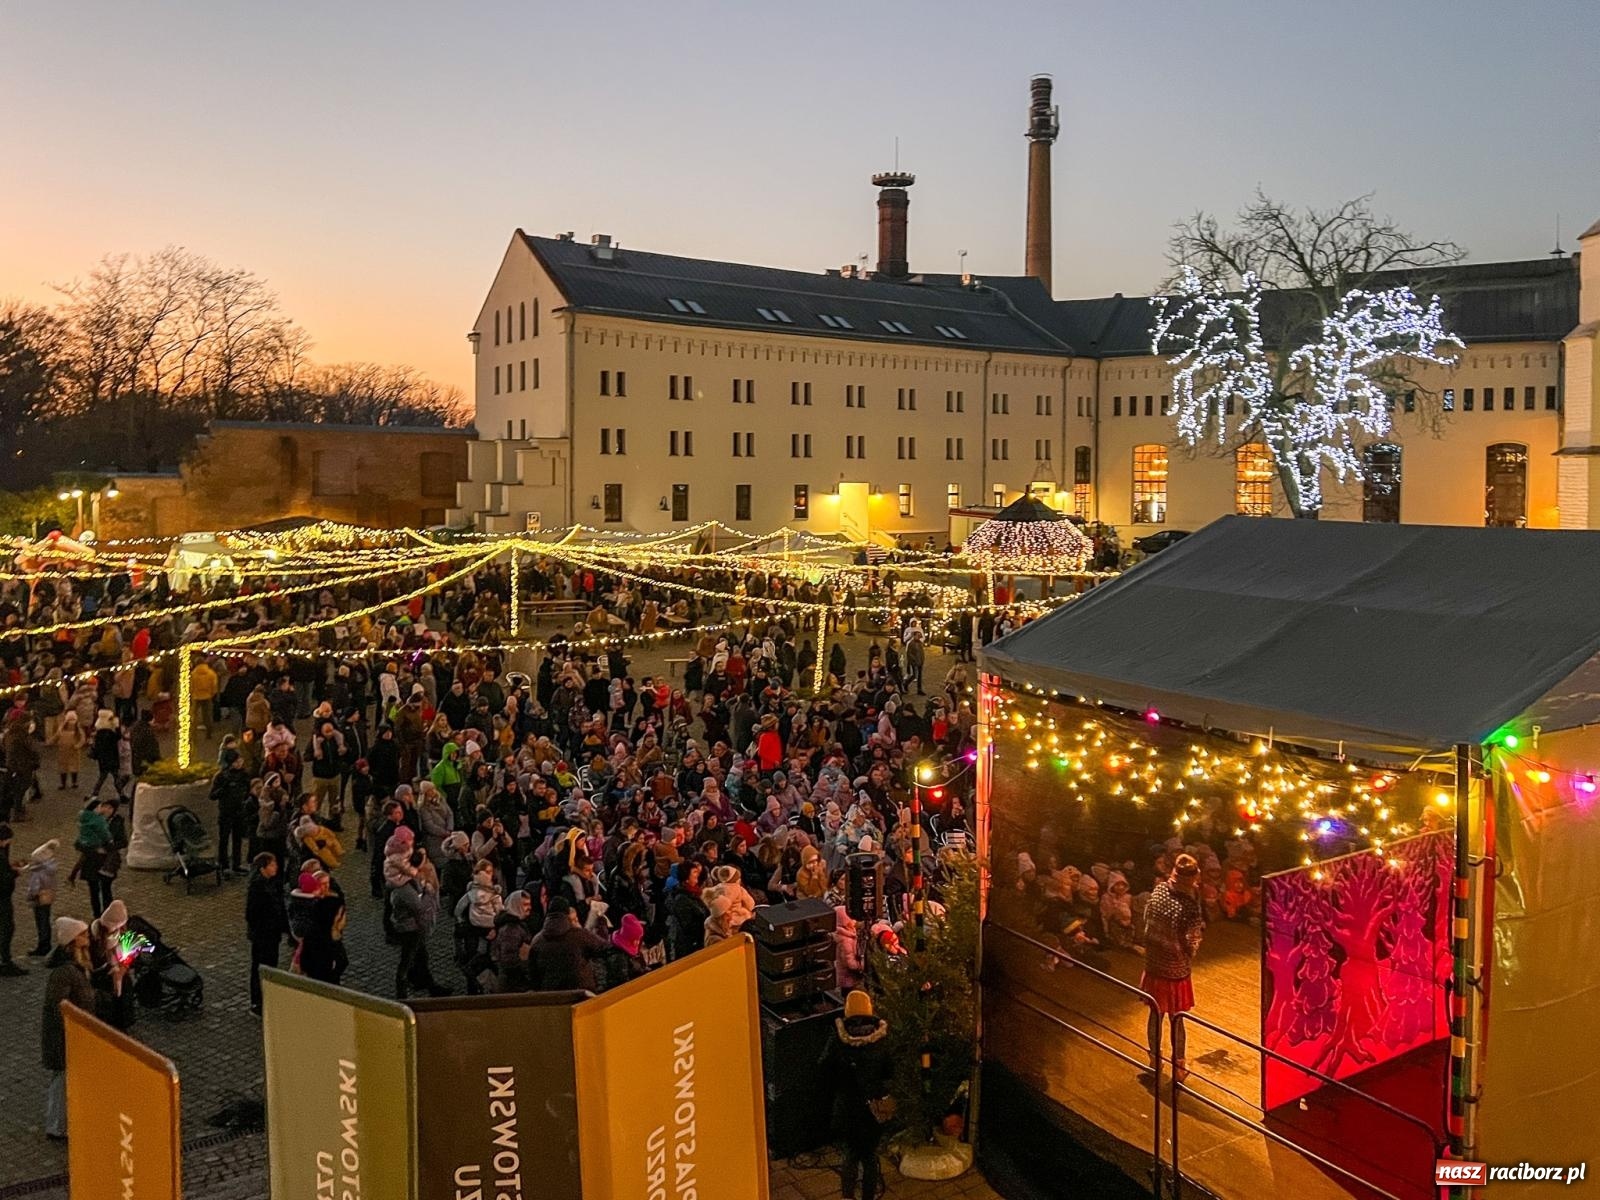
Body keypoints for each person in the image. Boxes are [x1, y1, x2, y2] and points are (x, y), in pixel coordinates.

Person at [1140, 852, 1205, 1082]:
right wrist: (1190, 953)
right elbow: (1192, 940)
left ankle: (1154, 1060)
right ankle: (1178, 1067)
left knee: (1154, 1015)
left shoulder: (1158, 891)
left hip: (1154, 964)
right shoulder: (1189, 907)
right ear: (1192, 878)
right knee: (1176, 1020)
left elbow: (1146, 920)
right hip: (1176, 970)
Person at [824, 989, 892, 1200]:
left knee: (851, 1155)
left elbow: (824, 1067)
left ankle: (847, 1196)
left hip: (846, 1107)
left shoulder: (838, 1039)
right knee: (870, 1157)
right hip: (872, 1110)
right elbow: (889, 1072)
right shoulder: (881, 1041)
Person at [41, 916, 96, 1140]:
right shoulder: (64, 972)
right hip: (64, 1036)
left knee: (67, 1080)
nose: (87, 937)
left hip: (74, 1033)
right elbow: (58, 1006)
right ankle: (56, 1126)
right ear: (72, 941)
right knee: (62, 1081)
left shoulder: (77, 965)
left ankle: (64, 1122)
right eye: (82, 934)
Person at [389, 848, 447, 999]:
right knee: (407, 961)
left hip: (412, 927)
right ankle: (402, 993)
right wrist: (429, 893)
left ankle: (428, 985)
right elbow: (419, 907)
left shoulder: (407, 881)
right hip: (410, 929)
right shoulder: (404, 889)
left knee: (421, 957)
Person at [527, 896, 608, 991]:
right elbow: (605, 949)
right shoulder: (579, 935)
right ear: (567, 913)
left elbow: (533, 974)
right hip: (581, 993)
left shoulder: (537, 940)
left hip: (550, 995)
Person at [245, 853, 288, 1014]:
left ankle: (268, 996)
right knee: (261, 967)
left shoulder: (272, 883)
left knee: (271, 965)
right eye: (272, 864)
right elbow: (251, 914)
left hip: (272, 934)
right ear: (263, 868)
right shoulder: (257, 888)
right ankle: (258, 1002)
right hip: (263, 936)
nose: (276, 866)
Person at [210, 749, 254, 875]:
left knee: (238, 839)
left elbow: (248, 790)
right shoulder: (222, 776)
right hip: (226, 813)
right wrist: (224, 789)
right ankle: (223, 864)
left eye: (241, 760)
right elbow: (212, 795)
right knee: (224, 839)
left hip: (239, 812)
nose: (240, 763)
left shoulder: (244, 775)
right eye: (237, 761)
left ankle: (237, 863)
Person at [0, 823, 24, 976]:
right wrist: (16, 873)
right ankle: (5, 960)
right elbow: (3, 881)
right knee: (7, 928)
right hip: (2, 898)